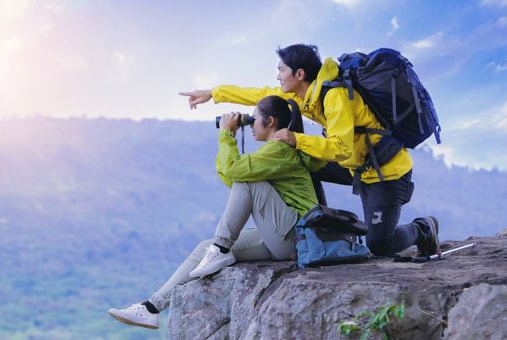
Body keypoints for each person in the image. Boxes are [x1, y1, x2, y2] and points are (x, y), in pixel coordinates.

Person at [179, 43, 440, 259]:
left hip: (385, 172)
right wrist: (213, 93)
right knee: (298, 161)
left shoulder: (334, 96)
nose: (278, 76)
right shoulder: (306, 96)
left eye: (282, 70)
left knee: (380, 245)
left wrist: (297, 139)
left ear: (300, 74)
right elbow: (259, 94)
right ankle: (318, 227)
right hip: (355, 164)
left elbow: (341, 147)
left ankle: (423, 228)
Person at [108, 95, 325, 329]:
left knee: (247, 186)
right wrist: (228, 138)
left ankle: (221, 247)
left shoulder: (279, 150)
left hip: (295, 237)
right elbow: (232, 181)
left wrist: (225, 135)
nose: (250, 125)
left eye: (254, 119)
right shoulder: (273, 152)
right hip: (280, 236)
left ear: (270, 121)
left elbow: (236, 175)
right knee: (204, 248)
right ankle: (152, 308)